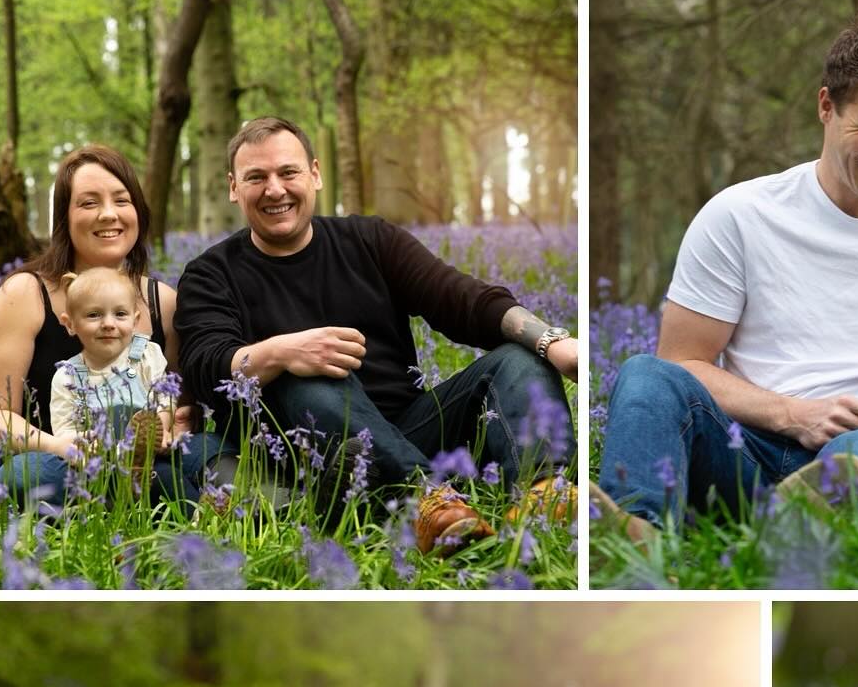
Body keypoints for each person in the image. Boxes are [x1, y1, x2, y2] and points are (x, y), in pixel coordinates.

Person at [593, 23, 858, 536]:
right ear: (826, 107)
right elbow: (684, 361)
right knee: (646, 375)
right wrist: (791, 414)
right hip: (746, 449)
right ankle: (634, 539)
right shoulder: (740, 214)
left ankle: (786, 540)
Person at [172, 117, 578, 520]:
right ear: (233, 187)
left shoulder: (370, 240)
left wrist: (551, 341)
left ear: (315, 174)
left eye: (288, 172)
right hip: (309, 459)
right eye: (256, 177)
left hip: (410, 431)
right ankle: (426, 501)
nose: (274, 189)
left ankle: (544, 492)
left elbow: (460, 299)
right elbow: (207, 366)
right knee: (306, 368)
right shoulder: (210, 274)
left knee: (521, 356)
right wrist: (280, 352)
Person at [0, 144, 214, 514]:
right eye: (88, 203)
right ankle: (176, 502)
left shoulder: (162, 301)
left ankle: (146, 492)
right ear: (63, 218)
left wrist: (172, 425)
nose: (108, 214)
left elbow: (182, 403)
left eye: (121, 200)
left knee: (218, 450)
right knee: (22, 477)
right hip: (62, 463)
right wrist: (62, 447)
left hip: (151, 460)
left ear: (138, 213)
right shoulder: (24, 294)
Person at [48, 267, 179, 465]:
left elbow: (165, 398)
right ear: (70, 324)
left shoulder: (145, 354)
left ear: (135, 320)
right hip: (96, 462)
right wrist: (79, 446)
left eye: (120, 314)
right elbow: (64, 428)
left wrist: (160, 427)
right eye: (93, 315)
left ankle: (139, 467)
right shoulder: (68, 376)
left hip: (149, 455)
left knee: (173, 472)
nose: (108, 323)